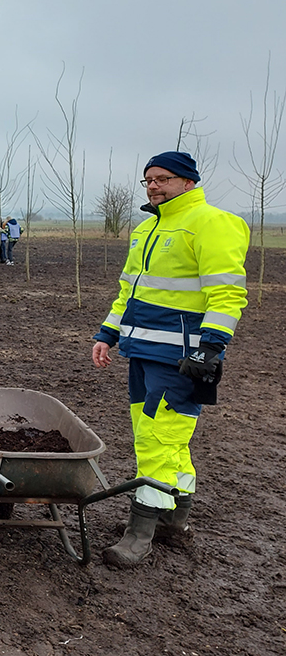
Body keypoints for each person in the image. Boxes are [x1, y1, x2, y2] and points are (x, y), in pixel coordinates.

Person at [91, 151, 250, 568]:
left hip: (183, 358)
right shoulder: (145, 229)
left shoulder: (211, 223)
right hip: (141, 351)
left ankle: (139, 534)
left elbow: (228, 292)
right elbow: (130, 290)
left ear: (188, 182)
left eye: (162, 179)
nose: (153, 186)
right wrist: (108, 333)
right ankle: (175, 521)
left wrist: (210, 347)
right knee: (165, 437)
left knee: (156, 440)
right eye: (147, 180)